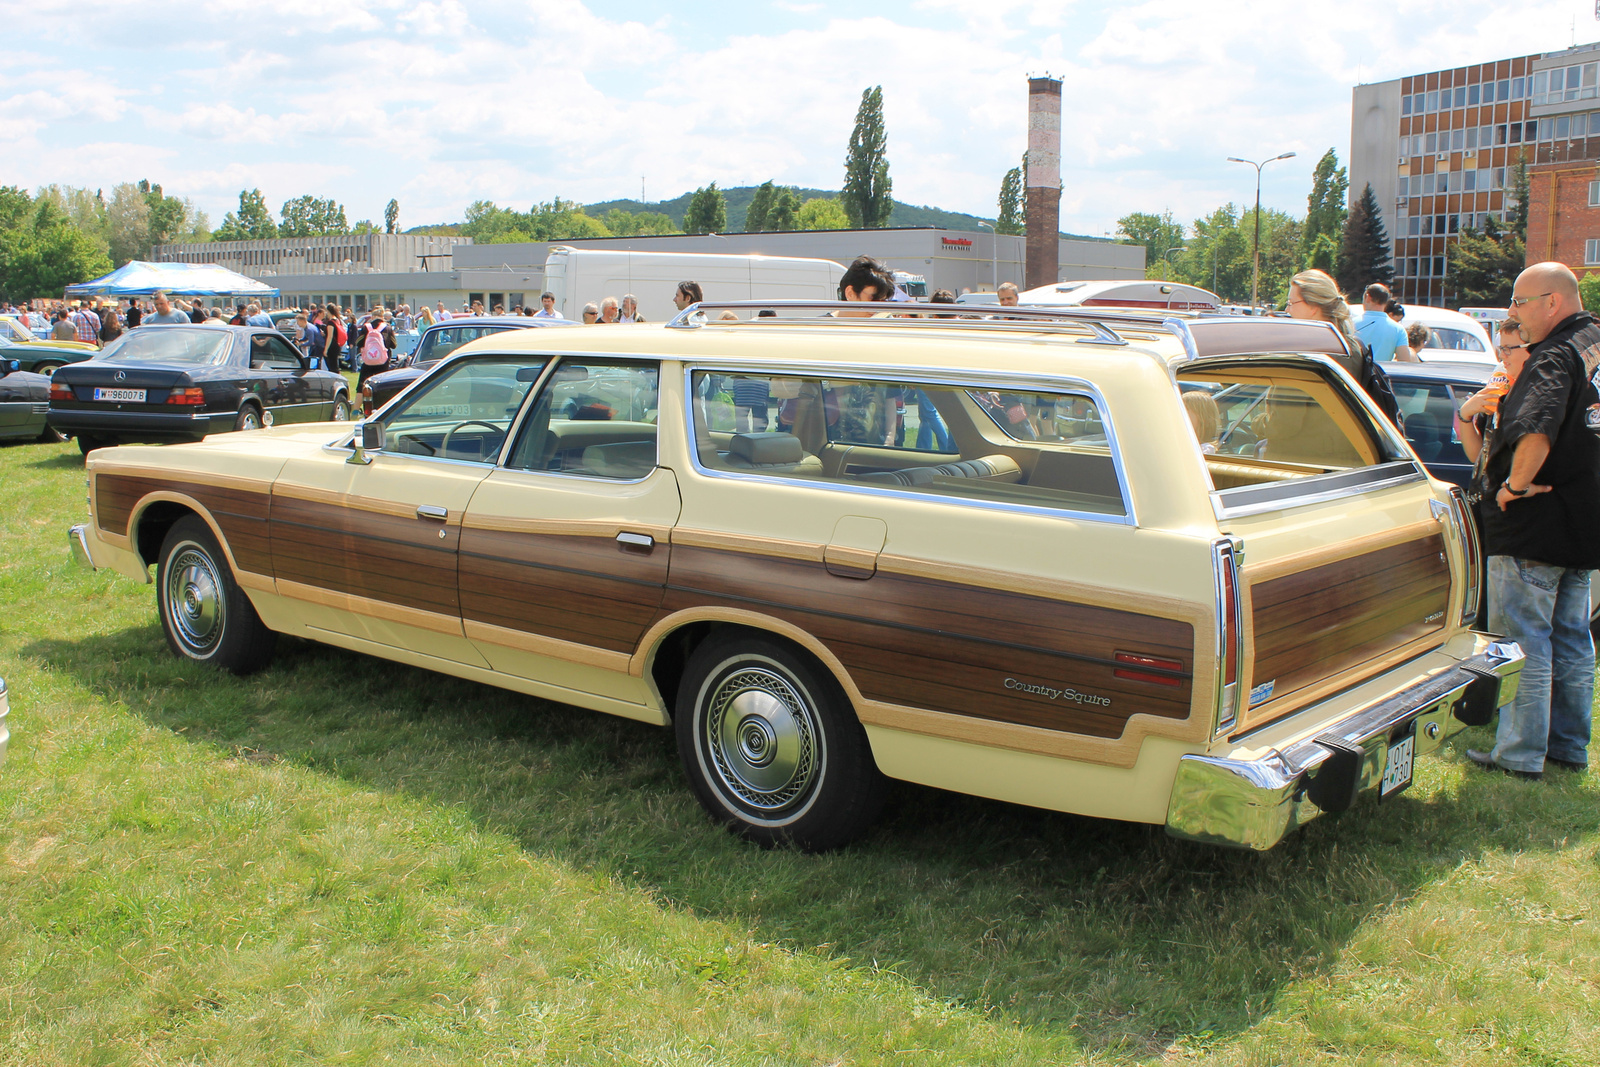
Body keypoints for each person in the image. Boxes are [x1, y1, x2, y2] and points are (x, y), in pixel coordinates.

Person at [1461, 262, 1600, 779]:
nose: (1513, 315)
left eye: (1519, 303)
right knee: (1570, 638)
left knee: (1525, 643)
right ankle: (1567, 746)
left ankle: (1519, 754)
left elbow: (1536, 430)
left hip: (1536, 524)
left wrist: (1514, 486)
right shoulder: (1594, 345)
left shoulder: (1555, 355)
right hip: (1584, 520)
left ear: (1552, 303)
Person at [1286, 269, 1401, 423]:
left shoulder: (1305, 354)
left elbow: (1282, 425)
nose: (1287, 310)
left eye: (1291, 303)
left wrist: (1260, 423)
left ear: (1313, 306)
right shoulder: (1352, 347)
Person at [1355, 283, 1413, 362]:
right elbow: (1405, 361)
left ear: (1368, 298)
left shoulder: (1349, 324)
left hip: (1352, 373)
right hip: (1382, 373)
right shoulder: (1398, 329)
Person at [355, 311, 394, 390]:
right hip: (383, 362)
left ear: (372, 317)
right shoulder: (388, 328)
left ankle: (357, 402)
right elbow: (394, 345)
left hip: (368, 361)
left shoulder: (366, 327)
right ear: (382, 317)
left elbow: (358, 342)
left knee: (362, 386)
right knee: (382, 386)